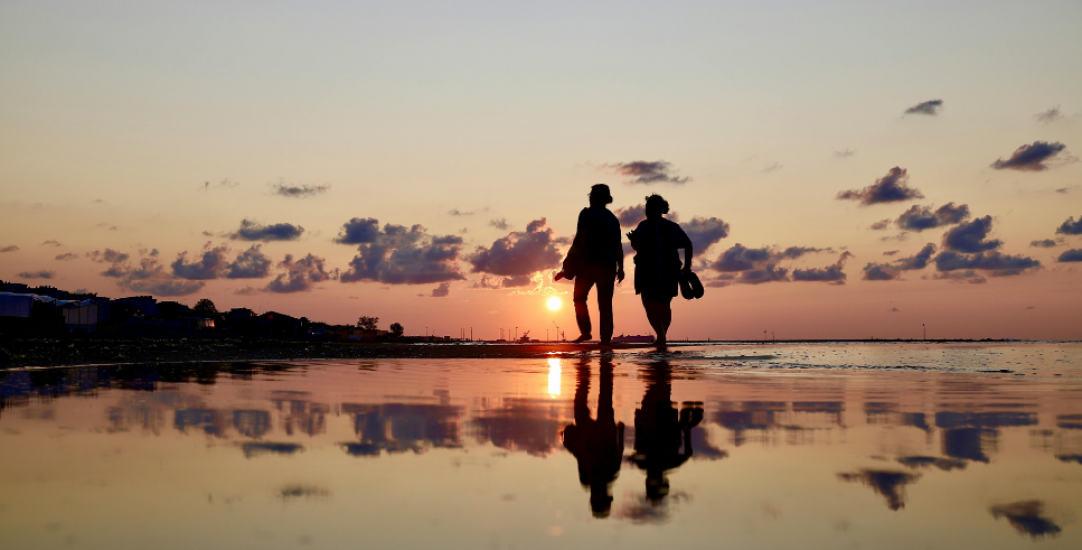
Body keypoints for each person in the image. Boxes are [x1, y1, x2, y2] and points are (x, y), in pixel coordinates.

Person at [556, 184, 624, 344]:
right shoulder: (613, 218)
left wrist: (568, 259)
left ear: (593, 197)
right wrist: (621, 268)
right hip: (608, 264)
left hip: (588, 264)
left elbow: (580, 238)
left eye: (591, 195)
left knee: (579, 298)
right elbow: (618, 245)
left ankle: (586, 332)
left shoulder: (586, 214)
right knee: (605, 303)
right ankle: (605, 339)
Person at [560, 355, 624, 517]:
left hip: (594, 436)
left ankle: (587, 373)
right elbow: (618, 453)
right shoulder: (603, 477)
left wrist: (620, 432)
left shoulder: (592, 478)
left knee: (601, 397)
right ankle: (592, 372)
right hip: (600, 435)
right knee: (602, 398)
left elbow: (583, 456)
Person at [626, 194, 692, 348]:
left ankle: (660, 334)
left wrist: (633, 241)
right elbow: (688, 245)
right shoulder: (672, 227)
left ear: (650, 209)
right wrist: (687, 266)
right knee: (665, 304)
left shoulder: (644, 226)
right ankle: (662, 335)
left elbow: (638, 247)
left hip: (648, 270)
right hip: (669, 270)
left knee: (649, 304)